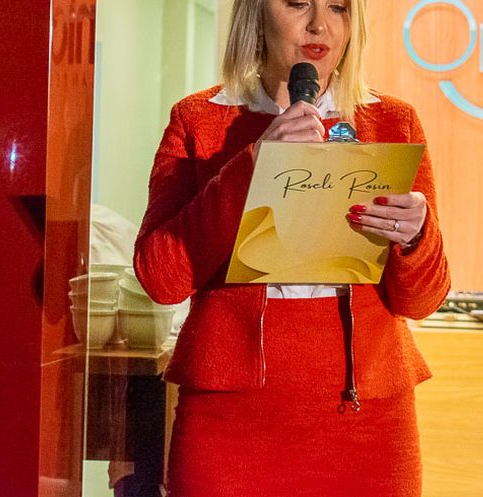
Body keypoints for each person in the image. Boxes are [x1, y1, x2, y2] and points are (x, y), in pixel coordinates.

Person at [132, 0, 450, 495]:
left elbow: (422, 300)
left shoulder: (392, 121)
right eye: (298, 3)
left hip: (366, 423)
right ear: (256, 13)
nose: (319, 24)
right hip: (230, 426)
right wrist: (252, 166)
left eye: (338, 8)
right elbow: (161, 279)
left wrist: (416, 237)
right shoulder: (199, 119)